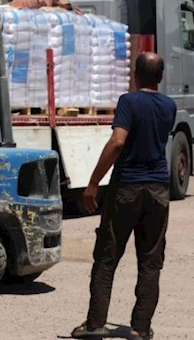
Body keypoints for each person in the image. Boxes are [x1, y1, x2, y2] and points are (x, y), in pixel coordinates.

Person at [72, 52, 176, 340]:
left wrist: (93, 182)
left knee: (107, 256)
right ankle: (140, 328)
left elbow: (118, 141)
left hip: (127, 188)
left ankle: (95, 325)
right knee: (151, 260)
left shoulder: (128, 102)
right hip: (158, 189)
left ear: (135, 74)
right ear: (161, 77)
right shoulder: (170, 105)